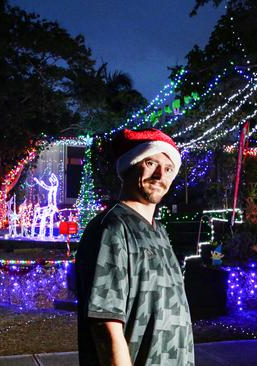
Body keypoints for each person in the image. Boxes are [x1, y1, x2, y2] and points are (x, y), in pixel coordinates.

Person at [75, 128, 194, 366]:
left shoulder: (159, 231)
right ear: (130, 165)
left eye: (169, 169)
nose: (161, 175)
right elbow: (105, 322)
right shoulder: (111, 227)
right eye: (151, 162)